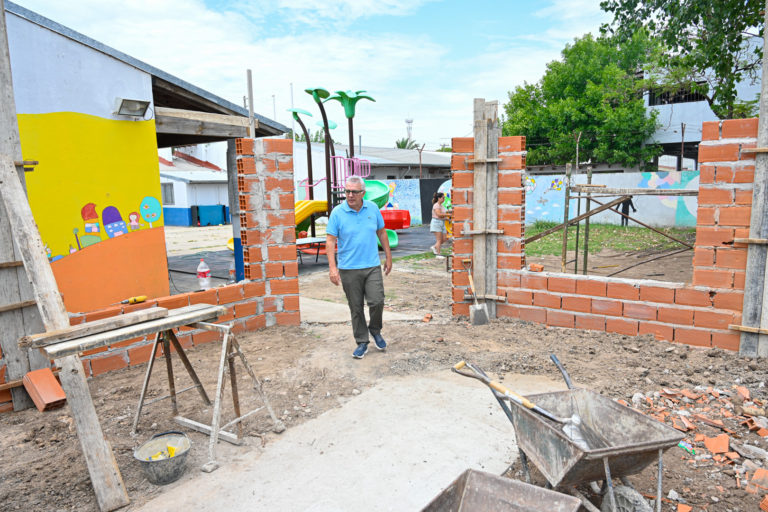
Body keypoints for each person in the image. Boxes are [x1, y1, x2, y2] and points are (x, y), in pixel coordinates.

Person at [326, 176, 393, 359]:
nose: (349, 195)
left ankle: (375, 330)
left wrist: (388, 256)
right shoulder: (337, 213)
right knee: (356, 307)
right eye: (347, 191)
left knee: (377, 301)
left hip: (372, 265)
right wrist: (333, 268)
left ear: (363, 193)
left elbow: (382, 232)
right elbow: (330, 241)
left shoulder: (372, 208)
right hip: (348, 268)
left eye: (354, 191)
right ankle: (362, 341)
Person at [430, 192, 448, 257]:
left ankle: (435, 247)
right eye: (443, 198)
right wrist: (448, 214)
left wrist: (447, 218)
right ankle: (438, 254)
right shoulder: (436, 205)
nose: (444, 199)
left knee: (445, 238)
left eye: (444, 198)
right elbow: (439, 215)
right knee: (439, 240)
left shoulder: (442, 206)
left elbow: (443, 215)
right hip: (436, 223)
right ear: (439, 198)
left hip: (442, 223)